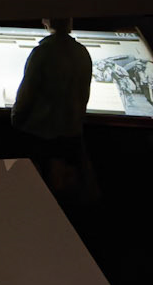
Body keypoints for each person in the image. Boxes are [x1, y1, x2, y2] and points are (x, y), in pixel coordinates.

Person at [12, 18, 94, 203]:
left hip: (40, 135)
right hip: (71, 134)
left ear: (46, 21)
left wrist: (17, 119)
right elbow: (84, 93)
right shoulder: (82, 52)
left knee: (37, 194)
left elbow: (27, 93)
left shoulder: (43, 53)